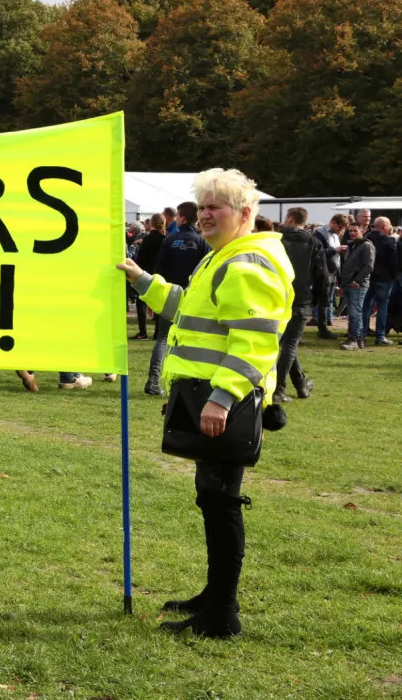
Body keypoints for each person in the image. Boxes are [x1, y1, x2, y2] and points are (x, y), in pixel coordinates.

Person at [117, 168, 292, 639]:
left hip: (223, 403)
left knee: (221, 501)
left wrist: (222, 398)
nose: (205, 215)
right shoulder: (222, 257)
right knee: (212, 497)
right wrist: (142, 279)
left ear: (245, 213)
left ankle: (222, 613)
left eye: (216, 207)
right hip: (208, 398)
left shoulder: (246, 262)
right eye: (202, 206)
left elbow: (255, 341)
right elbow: (189, 310)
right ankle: (215, 596)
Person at [144, 201, 210, 396]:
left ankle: (153, 381)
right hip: (193, 298)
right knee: (194, 340)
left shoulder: (169, 240)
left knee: (163, 338)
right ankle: (189, 385)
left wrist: (154, 297)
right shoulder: (201, 242)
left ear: (182, 217)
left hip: (169, 296)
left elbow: (158, 270)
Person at [274, 208, 324, 401]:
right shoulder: (313, 242)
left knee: (287, 343)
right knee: (290, 343)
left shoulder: (276, 240)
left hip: (278, 295)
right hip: (301, 297)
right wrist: (316, 299)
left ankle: (300, 383)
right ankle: (279, 388)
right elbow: (322, 275)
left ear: (289, 218)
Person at [339, 224, 375, 350]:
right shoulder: (352, 245)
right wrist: (343, 284)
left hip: (358, 284)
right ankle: (357, 339)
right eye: (350, 231)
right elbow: (347, 266)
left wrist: (357, 281)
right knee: (353, 313)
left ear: (362, 231)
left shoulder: (367, 245)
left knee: (355, 312)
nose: (352, 233)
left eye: (355, 231)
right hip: (349, 283)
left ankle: (355, 338)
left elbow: (369, 266)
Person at [363, 217, 397, 345]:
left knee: (365, 306)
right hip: (384, 278)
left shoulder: (366, 238)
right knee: (382, 307)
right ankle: (380, 336)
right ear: (384, 227)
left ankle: (361, 333)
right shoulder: (388, 241)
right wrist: (393, 276)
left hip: (368, 276)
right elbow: (393, 262)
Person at [312, 214, 346, 339]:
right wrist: (335, 250)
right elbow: (318, 253)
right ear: (334, 223)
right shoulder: (319, 233)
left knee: (328, 301)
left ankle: (324, 327)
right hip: (324, 271)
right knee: (324, 301)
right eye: (340, 227)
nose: (341, 230)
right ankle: (322, 329)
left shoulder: (335, 234)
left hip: (332, 271)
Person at [132, 214, 165, 340]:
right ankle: (158, 333)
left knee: (141, 302)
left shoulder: (148, 239)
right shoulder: (165, 238)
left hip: (146, 273)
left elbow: (141, 257)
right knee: (159, 303)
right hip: (160, 274)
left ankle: (143, 332)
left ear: (152, 223)